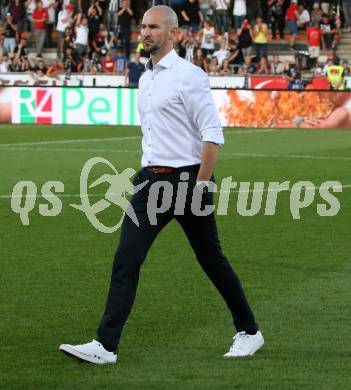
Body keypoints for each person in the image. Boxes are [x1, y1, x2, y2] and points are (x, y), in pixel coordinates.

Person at [59, 5, 264, 364]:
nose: (144, 32)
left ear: (173, 33)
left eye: (153, 27)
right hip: (149, 184)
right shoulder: (146, 76)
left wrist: (200, 186)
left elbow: (213, 136)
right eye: (142, 26)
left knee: (211, 259)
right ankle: (106, 346)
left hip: (188, 181)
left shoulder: (190, 76)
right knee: (126, 259)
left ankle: (249, 331)